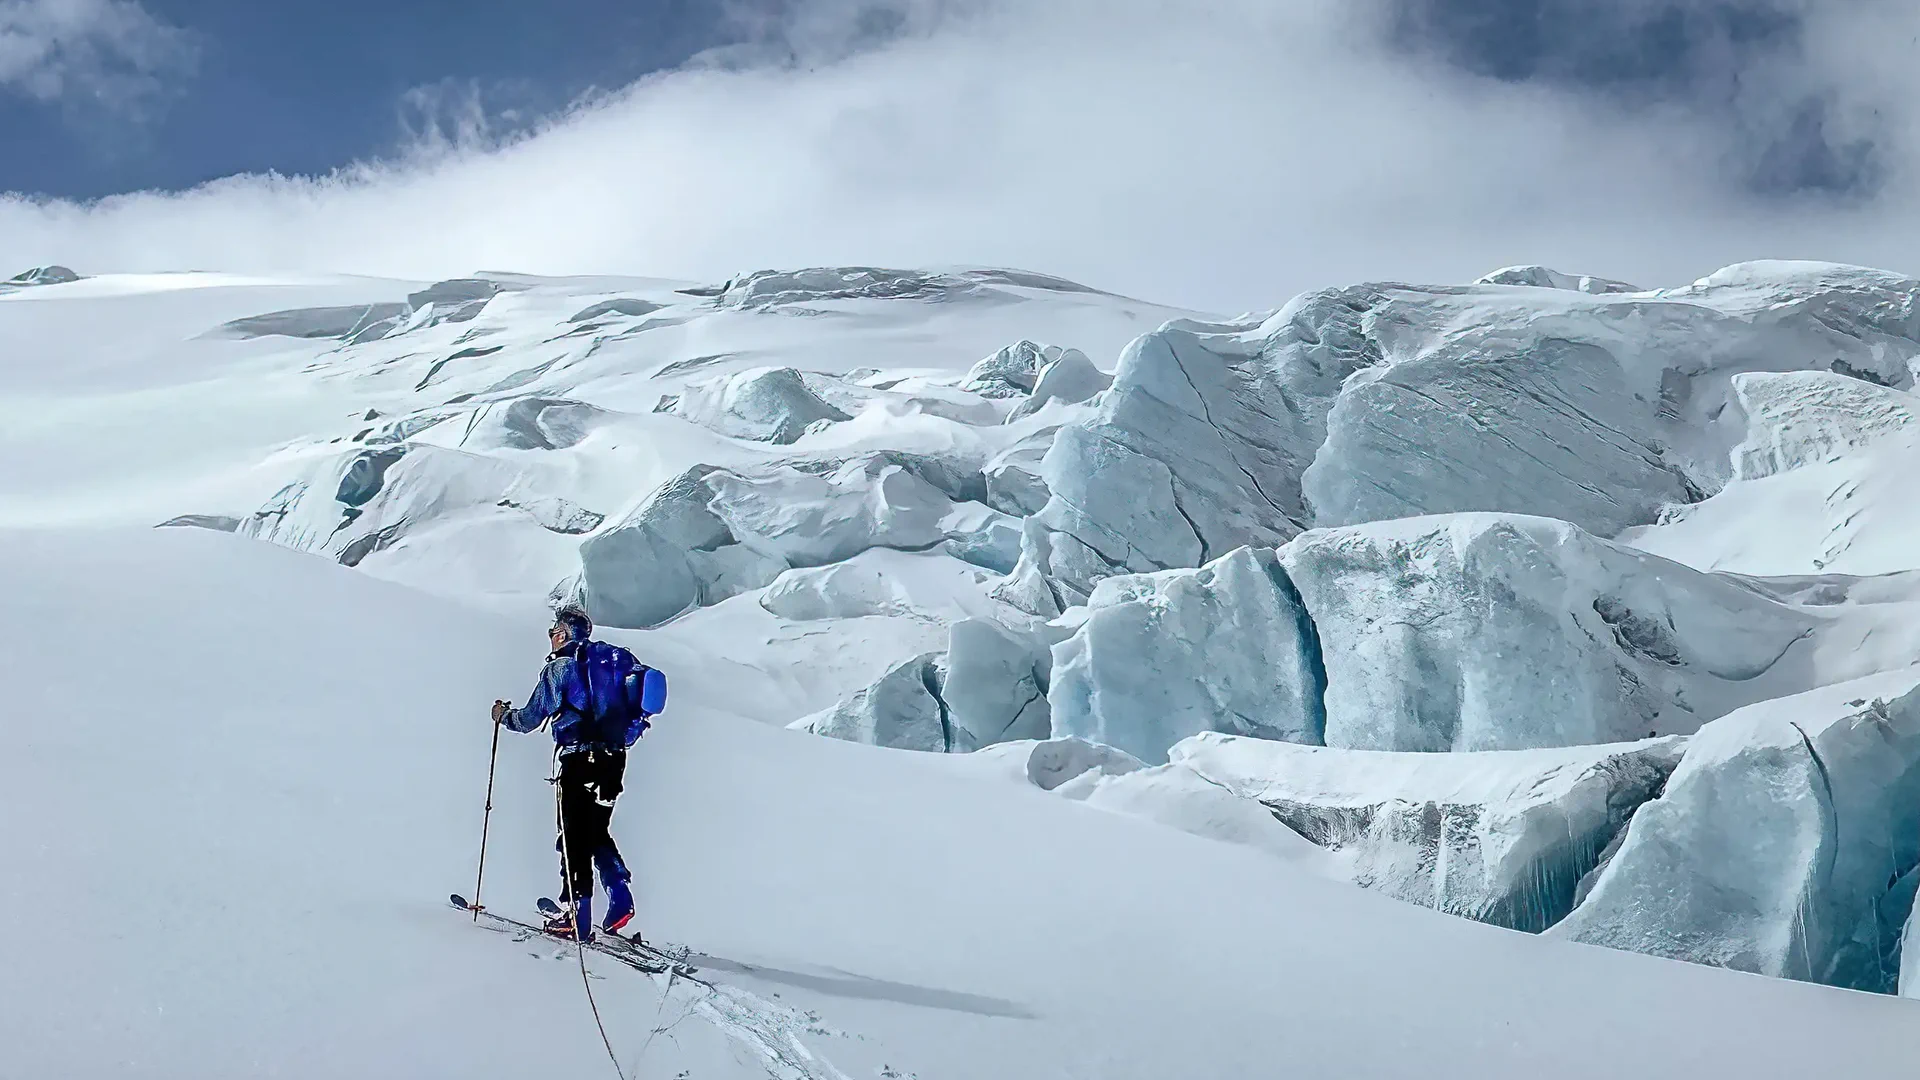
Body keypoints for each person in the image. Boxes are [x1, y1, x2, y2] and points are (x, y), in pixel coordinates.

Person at [491, 604, 635, 942]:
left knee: (572, 836)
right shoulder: (609, 669)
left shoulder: (561, 669)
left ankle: (578, 917)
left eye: (554, 631)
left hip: (578, 760)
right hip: (614, 760)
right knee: (596, 830)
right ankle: (620, 895)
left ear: (563, 633)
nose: (551, 639)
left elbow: (531, 717)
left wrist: (503, 717)